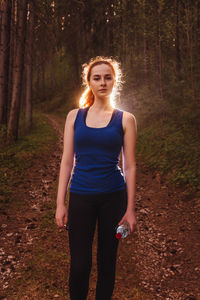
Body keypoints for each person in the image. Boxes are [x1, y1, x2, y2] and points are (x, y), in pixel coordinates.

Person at [55, 56, 137, 300]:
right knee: (79, 265)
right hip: (81, 196)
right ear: (89, 82)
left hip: (114, 198)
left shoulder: (126, 119)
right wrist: (60, 203)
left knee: (107, 263)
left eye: (107, 77)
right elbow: (67, 161)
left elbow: (130, 165)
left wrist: (131, 209)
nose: (103, 82)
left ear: (115, 81)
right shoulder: (74, 117)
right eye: (97, 78)